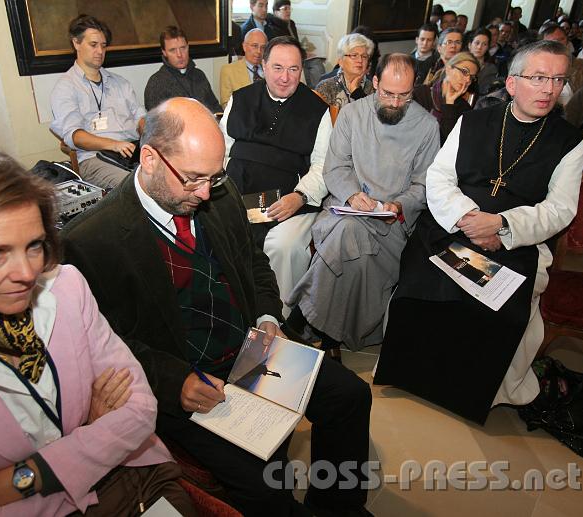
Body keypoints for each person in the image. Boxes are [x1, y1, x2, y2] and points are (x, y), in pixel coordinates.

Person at [61, 97, 373, 517]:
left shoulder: (218, 196)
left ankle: (337, 507)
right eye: (192, 179)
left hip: (253, 347)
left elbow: (255, 264)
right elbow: (106, 347)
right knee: (265, 490)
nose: (206, 192)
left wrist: (267, 318)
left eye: (214, 176)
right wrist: (175, 382)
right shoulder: (90, 241)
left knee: (350, 396)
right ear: (149, 158)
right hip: (190, 378)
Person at [0, 147, 196, 516]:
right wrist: (90, 429)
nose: (27, 273)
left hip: (134, 481)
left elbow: (139, 410)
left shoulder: (67, 287)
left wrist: (21, 476)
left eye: (33, 246)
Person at [374, 41, 583, 425]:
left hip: (516, 242)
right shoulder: (472, 121)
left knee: (499, 312)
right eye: (538, 78)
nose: (548, 89)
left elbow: (559, 210)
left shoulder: (569, 141)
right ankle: (410, 376)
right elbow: (438, 178)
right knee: (420, 290)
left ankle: (472, 394)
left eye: (557, 79)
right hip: (451, 227)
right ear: (511, 83)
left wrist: (502, 227)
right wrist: (468, 218)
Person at [286, 54, 440, 354]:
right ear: (376, 82)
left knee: (347, 239)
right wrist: (353, 195)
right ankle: (330, 338)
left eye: (404, 95)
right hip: (345, 208)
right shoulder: (352, 114)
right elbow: (335, 168)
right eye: (388, 94)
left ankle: (305, 318)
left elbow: (424, 185)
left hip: (392, 224)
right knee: (348, 231)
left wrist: (397, 205)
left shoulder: (426, 127)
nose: (395, 103)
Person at [220, 36, 331, 317]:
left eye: (293, 69)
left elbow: (322, 165)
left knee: (281, 245)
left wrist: (300, 196)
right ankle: (232, 313)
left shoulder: (317, 110)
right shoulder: (240, 99)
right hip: (237, 194)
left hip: (286, 200)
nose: (285, 77)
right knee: (220, 235)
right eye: (278, 67)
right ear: (264, 66)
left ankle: (275, 318)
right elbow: (220, 152)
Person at [50, 15, 145, 189]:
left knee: (177, 175)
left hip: (133, 152)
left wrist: (148, 131)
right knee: (137, 188)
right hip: (95, 158)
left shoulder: (120, 83)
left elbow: (140, 116)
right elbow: (75, 136)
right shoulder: (66, 87)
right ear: (76, 43)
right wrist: (114, 145)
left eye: (103, 45)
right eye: (93, 45)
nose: (100, 51)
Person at [144, 26, 222, 114]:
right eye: (173, 50)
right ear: (164, 52)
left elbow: (215, 107)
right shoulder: (156, 83)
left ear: (188, 47)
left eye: (183, 48)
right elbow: (158, 123)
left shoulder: (199, 75)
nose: (179, 55)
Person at [413, 52, 478, 143]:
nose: (468, 80)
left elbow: (448, 144)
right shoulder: (420, 94)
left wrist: (449, 103)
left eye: (472, 77)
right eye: (464, 72)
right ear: (448, 69)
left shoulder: (464, 108)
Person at [540, 22, 583, 105]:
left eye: (561, 39)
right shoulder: (534, 65)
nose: (558, 44)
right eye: (552, 42)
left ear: (567, 42)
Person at [315, 33, 375, 110]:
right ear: (340, 61)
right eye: (354, 55)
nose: (360, 60)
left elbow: (372, 118)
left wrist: (356, 92)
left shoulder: (372, 87)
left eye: (364, 56)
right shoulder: (325, 87)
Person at [219, 29, 268, 108]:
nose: (259, 51)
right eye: (255, 46)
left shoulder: (270, 70)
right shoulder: (228, 71)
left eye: (263, 47)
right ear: (244, 46)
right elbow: (226, 105)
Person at [467, 28, 499, 94]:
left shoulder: (491, 69)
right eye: (477, 43)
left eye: (484, 44)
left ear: (488, 47)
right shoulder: (459, 64)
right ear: (470, 45)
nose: (479, 47)